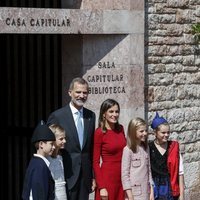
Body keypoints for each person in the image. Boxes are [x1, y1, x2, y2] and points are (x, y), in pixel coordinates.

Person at [47, 77, 96, 200]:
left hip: (85, 177)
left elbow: (90, 148)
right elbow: (49, 147)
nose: (81, 95)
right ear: (70, 93)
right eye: (78, 92)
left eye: (85, 92)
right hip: (65, 175)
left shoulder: (91, 116)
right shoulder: (57, 116)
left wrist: (93, 176)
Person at [93, 99, 126, 200]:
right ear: (104, 114)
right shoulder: (99, 133)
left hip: (122, 178)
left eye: (117, 111)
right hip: (107, 179)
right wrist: (102, 186)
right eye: (111, 111)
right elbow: (95, 162)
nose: (115, 114)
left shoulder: (121, 129)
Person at [149, 112, 185, 200]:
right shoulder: (149, 148)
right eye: (163, 132)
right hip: (154, 188)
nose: (166, 135)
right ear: (155, 132)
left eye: (168, 132)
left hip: (170, 187)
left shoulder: (173, 147)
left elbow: (180, 173)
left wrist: (182, 195)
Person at [121, 117, 154, 200]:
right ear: (133, 132)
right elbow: (125, 175)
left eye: (146, 130)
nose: (145, 133)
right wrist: (130, 196)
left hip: (146, 192)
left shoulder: (146, 148)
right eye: (141, 131)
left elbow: (149, 170)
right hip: (134, 194)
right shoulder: (128, 150)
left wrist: (152, 191)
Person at [22, 121, 56, 200]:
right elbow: (39, 195)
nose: (54, 147)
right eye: (51, 144)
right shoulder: (40, 167)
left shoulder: (36, 163)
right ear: (41, 144)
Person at [47, 124, 67, 200]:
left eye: (64, 138)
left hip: (62, 194)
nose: (64, 141)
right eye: (61, 139)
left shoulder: (61, 156)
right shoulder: (47, 158)